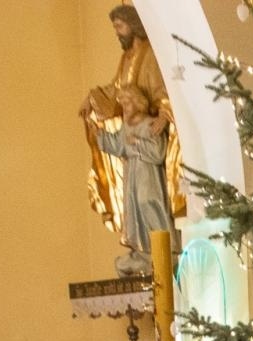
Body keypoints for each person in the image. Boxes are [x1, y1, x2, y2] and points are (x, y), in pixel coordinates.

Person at [78, 4, 183, 236]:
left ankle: (162, 246)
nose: (117, 32)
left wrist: (165, 114)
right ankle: (144, 248)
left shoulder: (150, 54)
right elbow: (116, 90)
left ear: (133, 25)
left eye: (120, 26)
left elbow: (164, 89)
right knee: (132, 202)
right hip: (132, 142)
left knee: (148, 199)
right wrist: (92, 99)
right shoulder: (126, 58)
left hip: (149, 130)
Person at [93, 85, 173, 276]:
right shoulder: (126, 127)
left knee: (148, 203)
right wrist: (99, 134)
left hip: (148, 175)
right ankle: (144, 252)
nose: (125, 108)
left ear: (137, 103)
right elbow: (118, 146)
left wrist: (138, 142)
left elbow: (158, 152)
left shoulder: (151, 124)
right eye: (123, 105)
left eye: (127, 103)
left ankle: (163, 249)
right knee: (134, 210)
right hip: (132, 177)